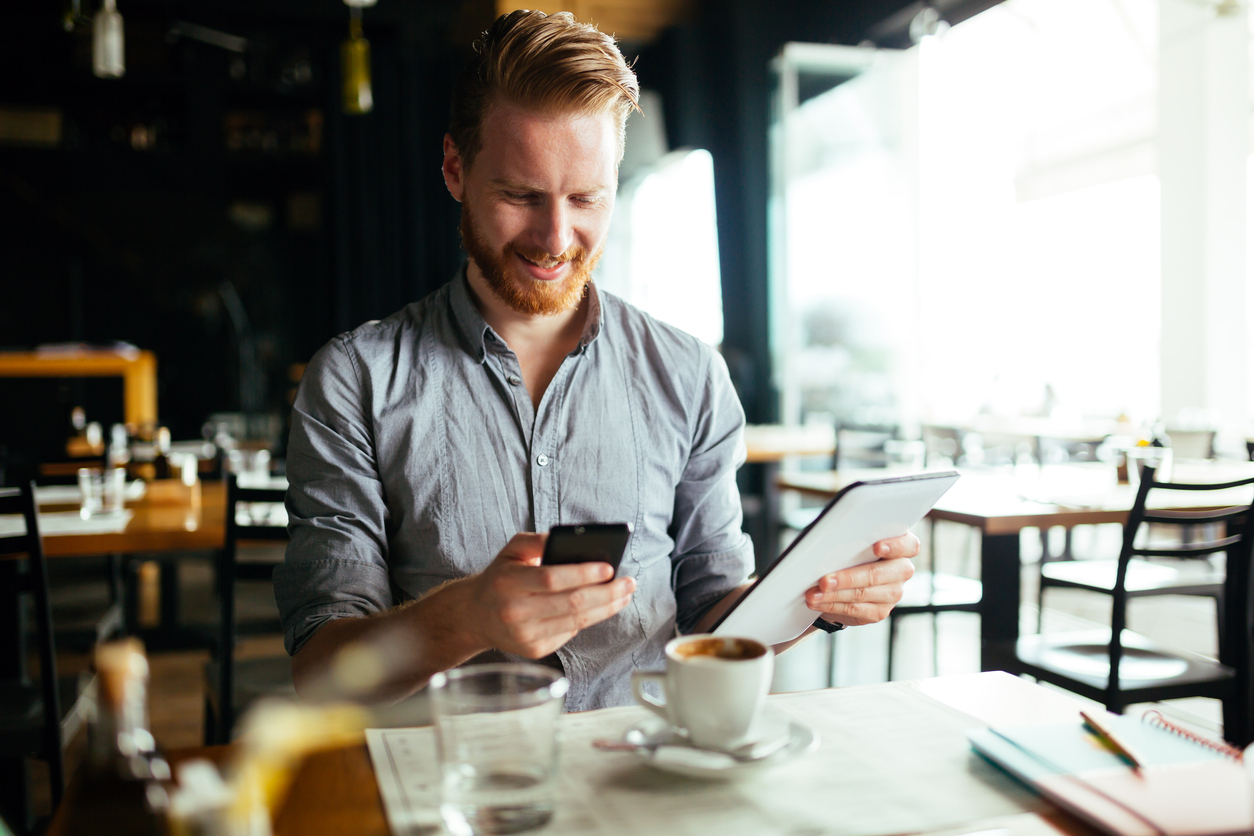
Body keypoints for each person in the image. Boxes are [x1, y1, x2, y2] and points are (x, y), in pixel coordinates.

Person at [274, 9, 918, 711]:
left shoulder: (691, 374)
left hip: (646, 775)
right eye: (520, 195)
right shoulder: (355, 380)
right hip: (453, 785)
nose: (556, 237)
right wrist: (467, 617)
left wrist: (813, 596)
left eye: (586, 198)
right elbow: (322, 672)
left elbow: (711, 615)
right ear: (456, 169)